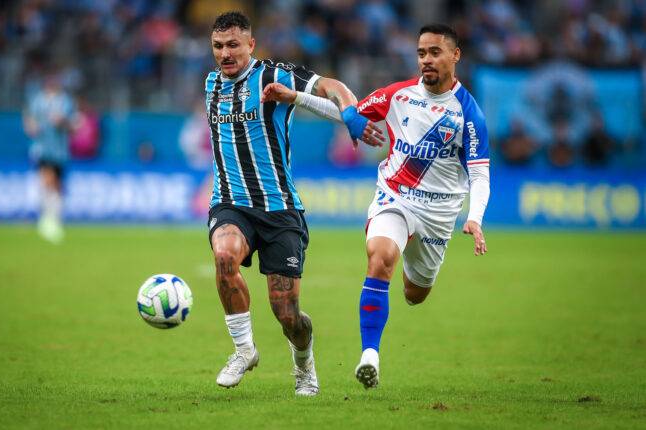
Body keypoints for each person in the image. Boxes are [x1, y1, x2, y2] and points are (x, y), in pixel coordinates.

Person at [204, 11, 384, 396]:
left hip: (281, 209)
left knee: (287, 314)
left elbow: (331, 86)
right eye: (218, 46)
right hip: (230, 203)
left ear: (251, 45)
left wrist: (348, 114)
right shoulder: (210, 85)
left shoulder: (273, 74)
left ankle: (304, 365)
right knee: (224, 256)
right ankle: (243, 349)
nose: (225, 53)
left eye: (233, 44)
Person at [355, 24, 492, 389]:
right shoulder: (398, 95)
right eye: (421, 53)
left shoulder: (469, 114)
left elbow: (479, 176)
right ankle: (370, 354)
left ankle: (408, 267)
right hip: (395, 196)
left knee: (415, 294)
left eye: (434, 52)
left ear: (455, 55)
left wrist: (474, 218)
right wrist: (298, 98)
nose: (426, 60)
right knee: (380, 257)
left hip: (439, 214)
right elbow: (351, 112)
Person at [22, 72, 75, 243]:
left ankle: (53, 219)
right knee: (47, 180)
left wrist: (63, 122)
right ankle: (46, 220)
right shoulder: (38, 100)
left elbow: (73, 125)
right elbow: (29, 118)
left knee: (57, 185)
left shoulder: (65, 101)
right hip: (43, 148)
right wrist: (31, 127)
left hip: (60, 150)